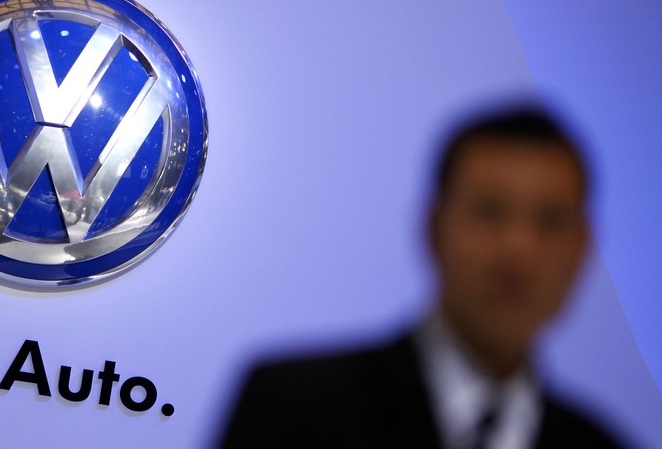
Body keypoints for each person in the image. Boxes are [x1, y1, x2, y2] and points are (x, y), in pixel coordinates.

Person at [219, 106, 628, 448]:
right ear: (433, 228)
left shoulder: (602, 443)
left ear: (583, 246)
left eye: (550, 222)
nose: (517, 251)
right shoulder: (295, 407)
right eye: (490, 212)